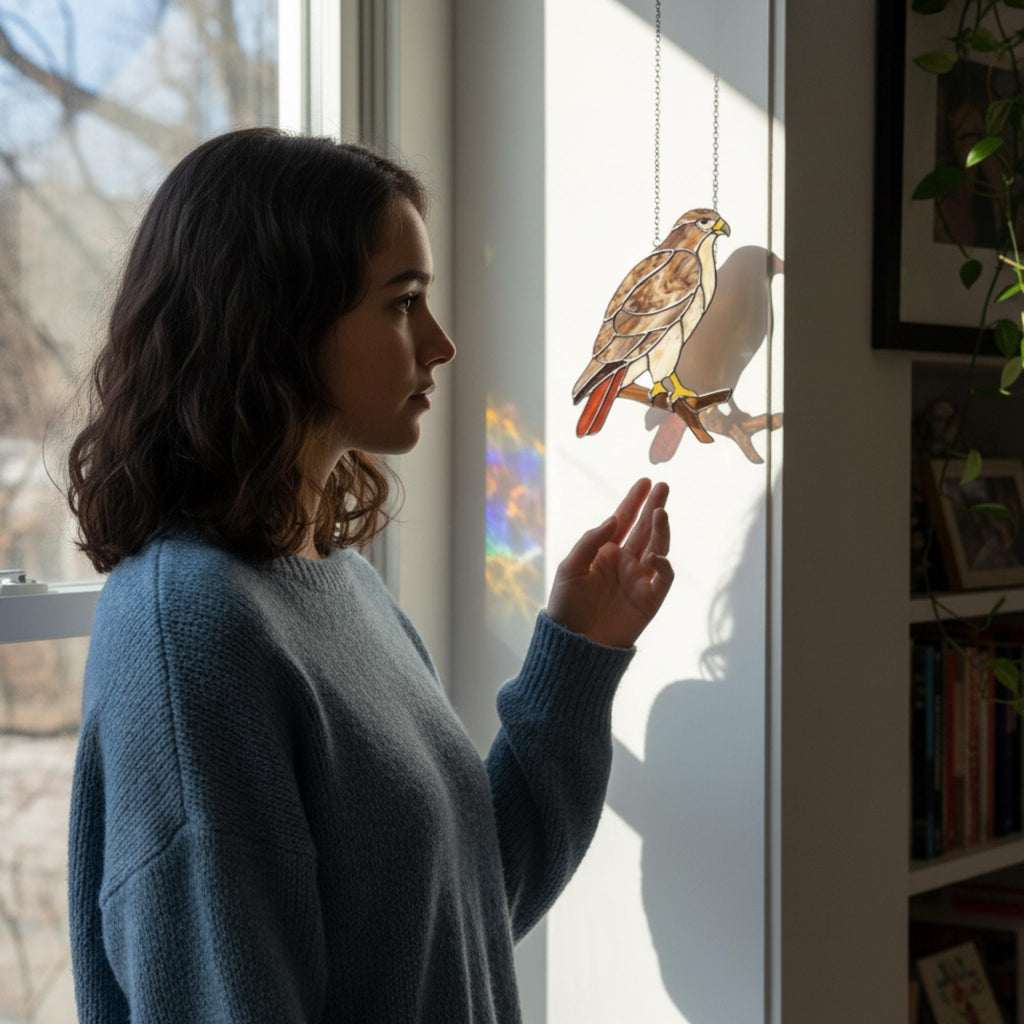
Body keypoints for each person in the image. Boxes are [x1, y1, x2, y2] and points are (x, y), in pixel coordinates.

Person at [63, 126, 673, 1023]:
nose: (440, 344)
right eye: (403, 302)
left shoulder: (338, 583)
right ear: (275, 320)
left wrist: (577, 656)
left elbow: (461, 910)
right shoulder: (190, 635)